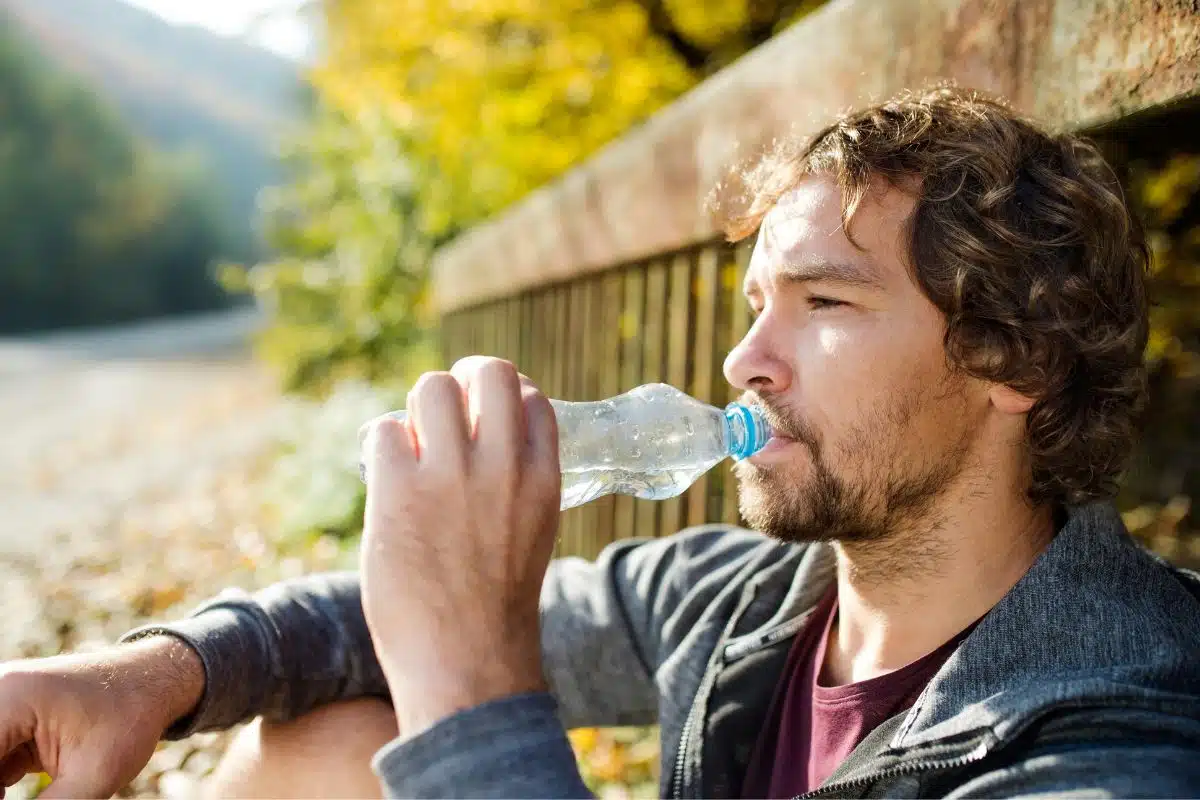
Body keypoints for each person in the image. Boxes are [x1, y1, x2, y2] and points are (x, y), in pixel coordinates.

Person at [2, 87, 1199, 800]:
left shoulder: (1123, 725)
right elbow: (376, 625)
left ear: (1014, 363)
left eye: (824, 305)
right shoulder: (739, 600)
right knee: (335, 739)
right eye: (752, 305)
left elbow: (460, 662)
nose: (744, 361)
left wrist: (477, 679)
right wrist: (150, 672)